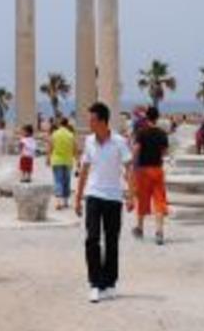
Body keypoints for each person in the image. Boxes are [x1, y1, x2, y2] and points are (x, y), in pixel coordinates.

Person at [74, 102, 135, 303]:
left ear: (102, 121)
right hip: (93, 195)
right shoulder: (89, 141)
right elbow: (83, 171)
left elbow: (129, 169)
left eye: (92, 119)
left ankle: (109, 283)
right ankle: (95, 283)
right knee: (92, 239)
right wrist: (78, 198)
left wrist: (131, 195)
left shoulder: (119, 141)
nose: (89, 123)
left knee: (111, 241)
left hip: (114, 197)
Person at [130, 106, 169, 244]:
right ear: (157, 118)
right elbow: (164, 152)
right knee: (159, 201)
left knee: (142, 199)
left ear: (147, 117)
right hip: (157, 169)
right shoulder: (162, 134)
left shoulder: (141, 133)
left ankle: (140, 228)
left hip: (143, 170)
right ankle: (159, 231)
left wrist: (133, 165)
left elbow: (136, 150)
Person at [48, 117, 77, 210]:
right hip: (68, 161)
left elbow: (50, 147)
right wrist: (77, 159)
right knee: (67, 181)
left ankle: (58, 202)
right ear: (67, 123)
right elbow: (75, 149)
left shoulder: (54, 134)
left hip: (56, 160)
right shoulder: (70, 135)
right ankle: (65, 202)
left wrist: (48, 158)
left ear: (60, 123)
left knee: (58, 181)